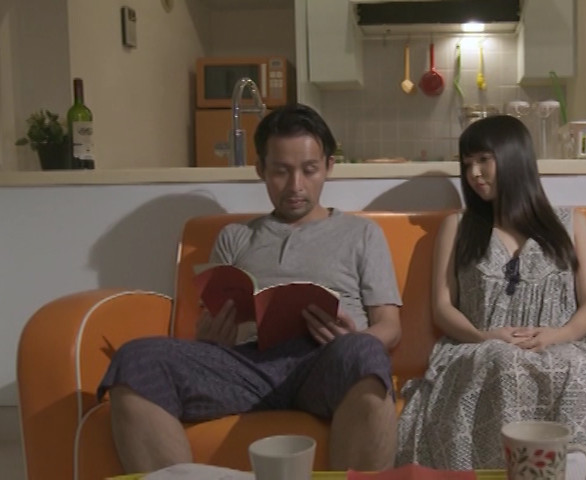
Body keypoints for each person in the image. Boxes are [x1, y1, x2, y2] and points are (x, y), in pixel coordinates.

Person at [99, 104, 402, 473]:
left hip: (325, 361)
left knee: (365, 352)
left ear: (329, 166)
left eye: (309, 170)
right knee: (135, 359)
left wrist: (354, 338)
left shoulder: (362, 234)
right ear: (261, 169)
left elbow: (391, 326)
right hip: (245, 365)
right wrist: (210, 338)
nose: (296, 186)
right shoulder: (235, 237)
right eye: (281, 171)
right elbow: (211, 320)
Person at [396, 115, 586, 469]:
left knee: (576, 366)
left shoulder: (572, 225)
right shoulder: (457, 227)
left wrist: (557, 335)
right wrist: (484, 336)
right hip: (480, 345)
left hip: (565, 341)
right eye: (467, 163)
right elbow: (443, 307)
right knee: (505, 363)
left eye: (484, 160)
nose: (474, 173)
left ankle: (581, 474)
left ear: (514, 159)